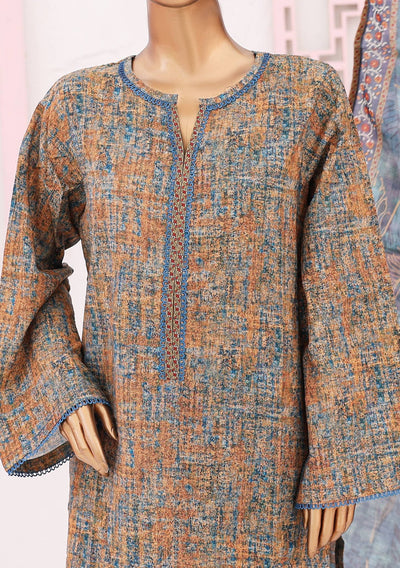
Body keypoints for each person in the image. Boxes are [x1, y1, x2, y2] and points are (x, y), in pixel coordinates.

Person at [1, 1, 400, 566]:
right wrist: (62, 387)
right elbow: (24, 268)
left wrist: (339, 460)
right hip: (123, 499)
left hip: (271, 496)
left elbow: (347, 292)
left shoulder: (305, 99)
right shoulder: (78, 109)